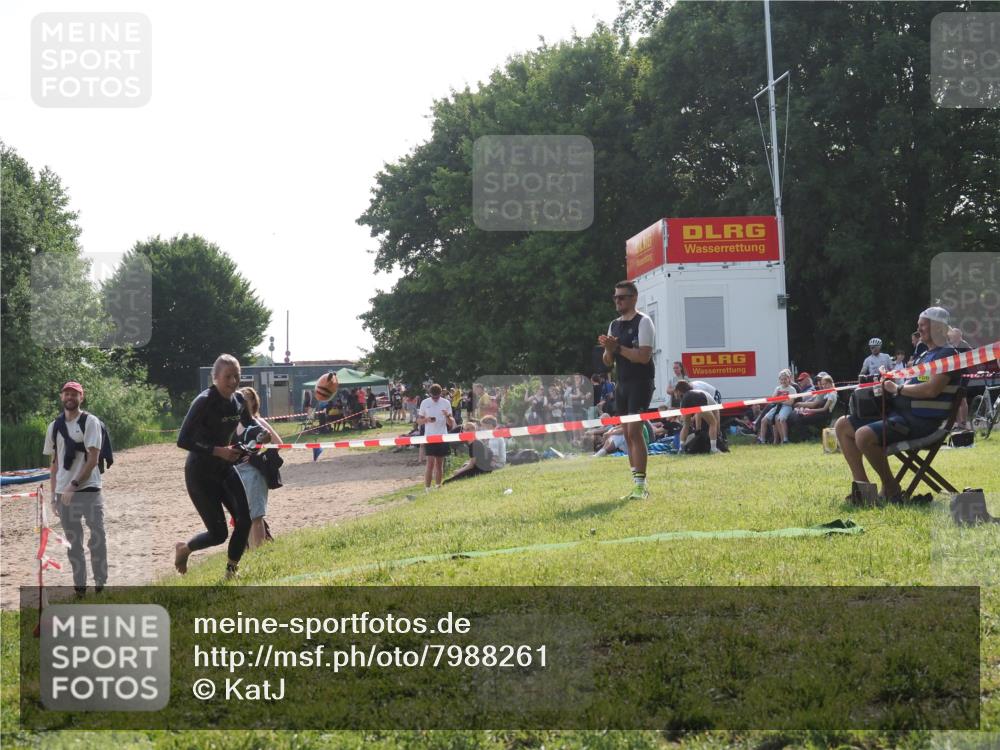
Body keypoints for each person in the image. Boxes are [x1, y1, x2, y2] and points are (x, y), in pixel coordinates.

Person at [835, 307, 960, 501]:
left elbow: (931, 390)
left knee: (863, 435)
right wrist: (889, 385)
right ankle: (864, 491)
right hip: (901, 415)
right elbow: (915, 383)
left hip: (922, 422)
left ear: (939, 327)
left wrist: (898, 390)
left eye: (923, 325)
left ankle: (891, 488)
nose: (918, 329)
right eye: (918, 325)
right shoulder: (924, 356)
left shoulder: (948, 355)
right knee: (842, 425)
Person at [174, 354, 255, 579]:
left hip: (225, 469)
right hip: (199, 474)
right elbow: (183, 440)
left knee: (245, 520)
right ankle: (185, 548)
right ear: (215, 377)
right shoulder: (204, 401)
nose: (233, 381)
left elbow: (250, 424)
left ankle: (231, 571)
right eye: (228, 376)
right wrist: (220, 451)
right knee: (219, 534)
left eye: (237, 376)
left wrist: (261, 434)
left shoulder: (239, 400)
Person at [43, 381, 107, 597]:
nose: (70, 397)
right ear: (62, 397)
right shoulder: (54, 426)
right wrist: (54, 496)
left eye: (74, 394)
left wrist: (73, 485)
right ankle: (80, 588)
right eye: (67, 393)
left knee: (97, 537)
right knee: (73, 543)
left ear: (82, 397)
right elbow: (54, 463)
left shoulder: (90, 422)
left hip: (89, 490)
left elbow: (93, 459)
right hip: (64, 493)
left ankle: (100, 583)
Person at [598, 280, 656, 499]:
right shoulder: (614, 325)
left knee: (633, 433)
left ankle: (641, 486)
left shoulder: (644, 322)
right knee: (627, 435)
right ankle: (636, 484)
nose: (617, 301)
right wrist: (609, 350)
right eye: (615, 297)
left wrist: (618, 348)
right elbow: (607, 362)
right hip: (621, 384)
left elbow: (643, 356)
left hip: (641, 383)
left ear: (633, 298)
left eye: (622, 297)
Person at [235, 387, 281, 550]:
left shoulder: (257, 422)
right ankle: (251, 550)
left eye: (244, 399)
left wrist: (256, 456)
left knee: (256, 515)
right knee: (243, 517)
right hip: (236, 474)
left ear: (253, 402)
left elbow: (278, 443)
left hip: (253, 473)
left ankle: (259, 551)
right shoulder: (234, 423)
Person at [418, 383, 455, 490]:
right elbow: (418, 421)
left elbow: (450, 424)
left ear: (441, 394)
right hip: (429, 437)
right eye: (433, 397)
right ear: (430, 394)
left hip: (442, 436)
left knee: (439, 464)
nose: (435, 399)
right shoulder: (425, 402)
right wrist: (426, 420)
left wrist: (447, 415)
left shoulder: (446, 402)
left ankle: (438, 487)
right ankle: (427, 489)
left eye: (437, 397)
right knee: (430, 464)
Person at [674, 380, 725, 454]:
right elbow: (714, 412)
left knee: (686, 425)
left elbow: (695, 413)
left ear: (679, 391)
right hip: (700, 397)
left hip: (687, 400)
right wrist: (718, 430)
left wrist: (698, 429)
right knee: (713, 423)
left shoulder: (684, 396)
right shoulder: (701, 392)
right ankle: (714, 449)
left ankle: (681, 449)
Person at [759, 369, 797, 445]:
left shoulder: (792, 389)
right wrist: (781, 400)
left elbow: (790, 402)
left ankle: (785, 439)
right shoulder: (777, 388)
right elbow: (772, 400)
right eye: (781, 379)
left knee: (782, 419)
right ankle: (761, 440)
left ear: (789, 379)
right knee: (763, 420)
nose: (783, 381)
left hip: (786, 407)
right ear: (779, 380)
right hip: (777, 406)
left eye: (785, 379)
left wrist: (779, 400)